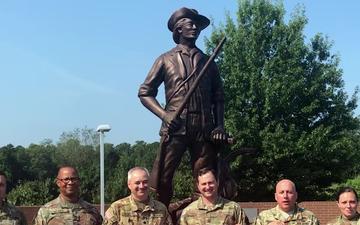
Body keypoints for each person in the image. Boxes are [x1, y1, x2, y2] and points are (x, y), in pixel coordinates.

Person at [138, 7, 227, 207]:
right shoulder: (165, 59)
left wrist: (219, 126)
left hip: (203, 127)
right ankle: (162, 216)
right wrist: (164, 115)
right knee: (162, 178)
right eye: (190, 24)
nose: (195, 28)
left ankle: (201, 216)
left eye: (197, 25)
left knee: (205, 180)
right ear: (178, 29)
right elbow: (145, 92)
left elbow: (219, 97)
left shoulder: (208, 61)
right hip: (175, 127)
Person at [33, 166, 102, 225]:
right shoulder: (46, 211)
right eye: (66, 179)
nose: (70, 182)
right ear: (58, 183)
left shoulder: (92, 211)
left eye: (73, 179)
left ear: (79, 182)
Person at [103, 167, 172, 225]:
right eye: (137, 183)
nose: (141, 186)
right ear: (129, 184)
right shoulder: (117, 208)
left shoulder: (161, 209)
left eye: (145, 182)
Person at [179, 168, 249, 225]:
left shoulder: (234, 209)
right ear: (198, 186)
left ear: (217, 183)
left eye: (210, 183)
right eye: (204, 184)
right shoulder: (188, 212)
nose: (207, 187)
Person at [253, 179, 319, 225]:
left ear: (296, 195)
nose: (285, 196)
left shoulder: (310, 217)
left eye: (289, 192)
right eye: (281, 192)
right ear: (276, 196)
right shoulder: (263, 217)